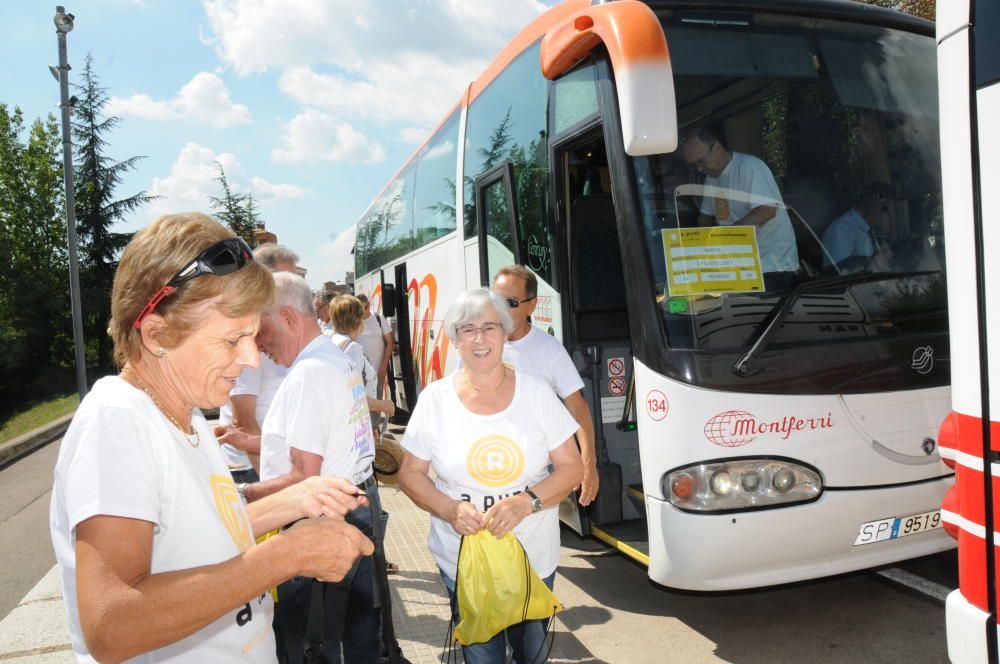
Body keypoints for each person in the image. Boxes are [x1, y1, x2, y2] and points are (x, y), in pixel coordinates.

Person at [49, 213, 373, 663]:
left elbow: (200, 530)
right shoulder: (116, 421)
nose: (251, 360)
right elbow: (111, 623)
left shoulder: (186, 416)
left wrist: (295, 500)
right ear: (158, 333)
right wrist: (285, 556)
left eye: (253, 337)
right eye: (231, 340)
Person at [398, 288, 583, 664]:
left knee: (532, 656)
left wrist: (526, 502)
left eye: (489, 328)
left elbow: (572, 467)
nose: (480, 339)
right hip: (464, 563)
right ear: (454, 339)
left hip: (532, 560)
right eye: (468, 330)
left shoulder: (536, 394)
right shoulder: (435, 399)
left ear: (505, 332)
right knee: (482, 658)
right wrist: (449, 509)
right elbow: (410, 474)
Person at [227, 272, 381, 664]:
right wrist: (254, 443)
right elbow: (319, 438)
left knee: (312, 644)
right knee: (357, 634)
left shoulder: (307, 376)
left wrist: (241, 496)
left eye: (261, 332)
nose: (259, 347)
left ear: (288, 318)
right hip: (354, 507)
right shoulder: (334, 358)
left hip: (320, 521)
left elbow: (303, 477)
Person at [492, 265, 599, 506]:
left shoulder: (549, 349)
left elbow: (577, 407)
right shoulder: (480, 346)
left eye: (510, 302)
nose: (499, 310)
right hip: (490, 464)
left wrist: (588, 463)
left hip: (537, 473)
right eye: (495, 300)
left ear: (531, 305)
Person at [217, 245, 298, 482]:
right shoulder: (248, 336)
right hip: (251, 470)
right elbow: (243, 422)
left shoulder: (275, 331)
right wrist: (275, 487)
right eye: (288, 279)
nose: (295, 287)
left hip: (272, 465)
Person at [682, 126, 799, 290]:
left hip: (772, 265)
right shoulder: (711, 179)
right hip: (740, 265)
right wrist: (698, 247)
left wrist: (728, 235)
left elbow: (767, 210)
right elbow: (705, 219)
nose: (700, 169)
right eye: (695, 165)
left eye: (701, 162)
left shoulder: (750, 167)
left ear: (717, 147)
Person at [329, 294, 396, 420]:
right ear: (357, 321)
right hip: (354, 422)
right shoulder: (352, 348)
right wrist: (384, 405)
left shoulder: (333, 341)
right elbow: (356, 396)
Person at [822, 183, 892, 273]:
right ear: (873, 205)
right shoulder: (841, 230)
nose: (887, 217)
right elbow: (840, 275)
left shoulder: (867, 230)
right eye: (886, 210)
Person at [356, 293, 394, 398]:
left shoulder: (378, 318)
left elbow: (390, 342)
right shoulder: (353, 320)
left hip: (378, 372)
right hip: (360, 374)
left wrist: (384, 366)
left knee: (377, 402)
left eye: (362, 308)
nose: (360, 312)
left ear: (368, 305)